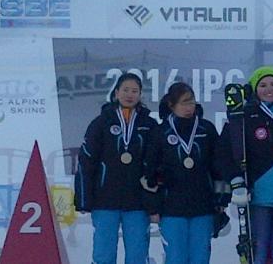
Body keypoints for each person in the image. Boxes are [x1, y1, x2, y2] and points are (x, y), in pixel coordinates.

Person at [74, 72, 159, 264]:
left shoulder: (149, 125)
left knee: (137, 255)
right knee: (104, 254)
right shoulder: (101, 123)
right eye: (126, 90)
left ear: (140, 95)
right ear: (116, 93)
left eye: (135, 91)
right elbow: (86, 161)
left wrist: (155, 202)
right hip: (105, 200)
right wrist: (84, 198)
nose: (130, 94)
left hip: (138, 202)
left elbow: (156, 165)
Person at [218, 66, 273, 264]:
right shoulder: (244, 116)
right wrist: (237, 181)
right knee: (258, 248)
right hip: (259, 195)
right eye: (262, 85)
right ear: (254, 89)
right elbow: (225, 152)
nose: (269, 89)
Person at [147, 82, 225, 264]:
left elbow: (219, 167)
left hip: (203, 206)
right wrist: (153, 206)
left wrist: (222, 198)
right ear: (171, 105)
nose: (189, 108)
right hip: (171, 208)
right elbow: (149, 170)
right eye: (184, 103)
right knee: (176, 258)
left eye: (192, 102)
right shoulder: (161, 132)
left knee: (200, 258)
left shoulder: (207, 129)